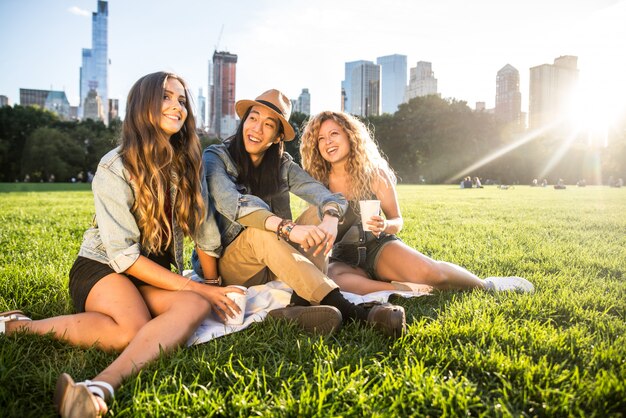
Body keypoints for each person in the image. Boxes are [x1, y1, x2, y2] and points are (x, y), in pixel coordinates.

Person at [0, 72, 242, 418]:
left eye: (182, 100)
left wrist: (213, 287)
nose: (177, 107)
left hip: (150, 275)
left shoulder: (189, 163)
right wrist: (196, 287)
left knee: (194, 306)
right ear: (143, 106)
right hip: (104, 267)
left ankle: (94, 384)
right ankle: (89, 383)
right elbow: (124, 257)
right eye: (166, 97)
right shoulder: (114, 167)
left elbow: (204, 231)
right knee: (131, 329)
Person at [192, 89, 407, 339]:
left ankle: (299, 306)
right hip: (233, 265)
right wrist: (287, 228)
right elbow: (233, 203)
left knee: (317, 214)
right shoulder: (215, 158)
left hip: (274, 256)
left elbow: (325, 195)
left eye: (268, 124)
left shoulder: (282, 165)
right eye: (253, 118)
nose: (257, 129)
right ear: (244, 122)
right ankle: (356, 314)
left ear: (277, 136)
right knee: (260, 232)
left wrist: (329, 219)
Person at [299, 111, 534, 295]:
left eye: (334, 134)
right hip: (342, 258)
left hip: (378, 249)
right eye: (321, 138)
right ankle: (404, 290)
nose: (327, 142)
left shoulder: (374, 173)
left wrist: (385, 225)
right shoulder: (318, 183)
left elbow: (397, 220)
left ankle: (486, 285)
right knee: (334, 280)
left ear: (350, 136)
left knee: (433, 274)